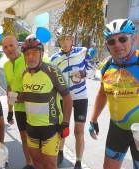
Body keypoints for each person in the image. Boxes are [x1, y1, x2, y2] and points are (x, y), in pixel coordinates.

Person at [89, 19, 139, 169]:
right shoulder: (106, 65)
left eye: (123, 38)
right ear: (107, 45)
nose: (117, 44)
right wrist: (93, 119)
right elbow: (102, 94)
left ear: (134, 39)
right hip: (117, 129)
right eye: (111, 41)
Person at [21, 37, 73, 169]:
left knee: (49, 165)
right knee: (37, 162)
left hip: (50, 126)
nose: (30, 57)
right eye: (27, 54)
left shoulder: (52, 71)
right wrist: (15, 98)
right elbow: (28, 95)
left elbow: (67, 97)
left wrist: (66, 123)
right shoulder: (25, 74)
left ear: (42, 54)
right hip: (31, 125)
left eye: (34, 53)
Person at [50, 27, 94, 169]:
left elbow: (93, 70)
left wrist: (83, 73)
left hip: (81, 96)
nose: (65, 42)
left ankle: (79, 161)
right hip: (63, 98)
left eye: (68, 38)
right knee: (62, 128)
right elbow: (52, 80)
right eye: (62, 38)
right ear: (59, 40)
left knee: (78, 131)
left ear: (73, 40)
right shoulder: (54, 58)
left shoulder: (83, 52)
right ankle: (60, 153)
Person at [2, 35, 34, 169]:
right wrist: (10, 111)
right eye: (5, 47)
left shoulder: (28, 58)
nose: (8, 49)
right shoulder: (6, 65)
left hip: (35, 106)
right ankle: (29, 164)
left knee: (38, 138)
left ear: (17, 45)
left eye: (11, 45)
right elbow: (10, 88)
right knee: (24, 137)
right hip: (20, 108)